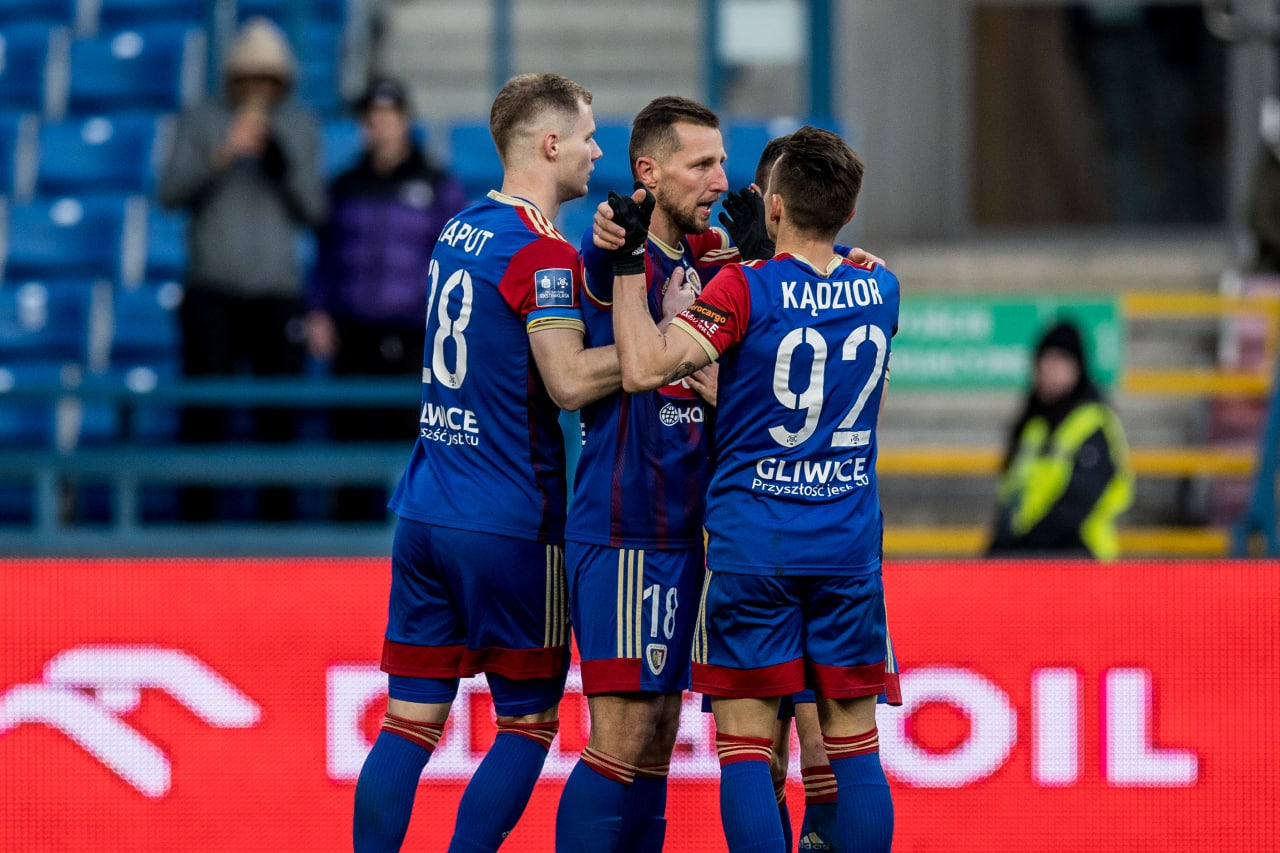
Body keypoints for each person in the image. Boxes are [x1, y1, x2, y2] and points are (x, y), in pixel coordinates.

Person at [351, 72, 627, 853]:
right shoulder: (542, 253)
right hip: (509, 520)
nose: (596, 151)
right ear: (550, 144)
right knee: (529, 722)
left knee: (408, 723)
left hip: (426, 507)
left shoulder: (459, 228)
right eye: (587, 136)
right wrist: (667, 348)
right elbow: (568, 381)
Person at [608, 126, 899, 852]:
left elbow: (643, 369)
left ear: (772, 206)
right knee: (856, 748)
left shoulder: (743, 287)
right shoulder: (883, 287)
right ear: (849, 211)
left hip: (754, 548)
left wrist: (627, 265)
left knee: (746, 749)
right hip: (846, 548)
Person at [554, 94, 742, 853]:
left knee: (660, 733)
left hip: (686, 534)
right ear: (649, 172)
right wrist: (612, 232)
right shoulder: (618, 250)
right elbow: (605, 243)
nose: (720, 179)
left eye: (722, 162)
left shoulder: (706, 258)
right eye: (702, 165)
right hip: (625, 528)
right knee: (621, 733)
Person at [157, 16, 325, 521]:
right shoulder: (201, 120)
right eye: (248, 79)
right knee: (203, 414)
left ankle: (279, 527)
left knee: (279, 417)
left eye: (266, 80)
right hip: (212, 289)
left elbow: (315, 210)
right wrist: (222, 154)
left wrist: (277, 161)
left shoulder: (299, 125)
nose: (257, 90)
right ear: (232, 79)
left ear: (281, 82)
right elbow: (169, 193)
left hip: (276, 291)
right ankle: (196, 526)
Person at [306, 75, 468, 521]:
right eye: (371, 117)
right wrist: (317, 311)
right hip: (352, 336)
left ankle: (409, 539)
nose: (380, 125)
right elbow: (325, 257)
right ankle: (348, 540)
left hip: (414, 337)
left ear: (405, 120)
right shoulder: (344, 185)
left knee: (414, 445)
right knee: (349, 445)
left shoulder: (437, 186)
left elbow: (457, 262)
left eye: (388, 115)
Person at [987, 319, 1134, 560]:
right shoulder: (1034, 427)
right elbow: (1013, 498)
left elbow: (1076, 505)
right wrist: (999, 548)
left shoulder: (1092, 424)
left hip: (1081, 556)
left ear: (1077, 367)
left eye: (1059, 362)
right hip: (1033, 555)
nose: (1049, 371)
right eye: (1044, 362)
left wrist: (1021, 549)